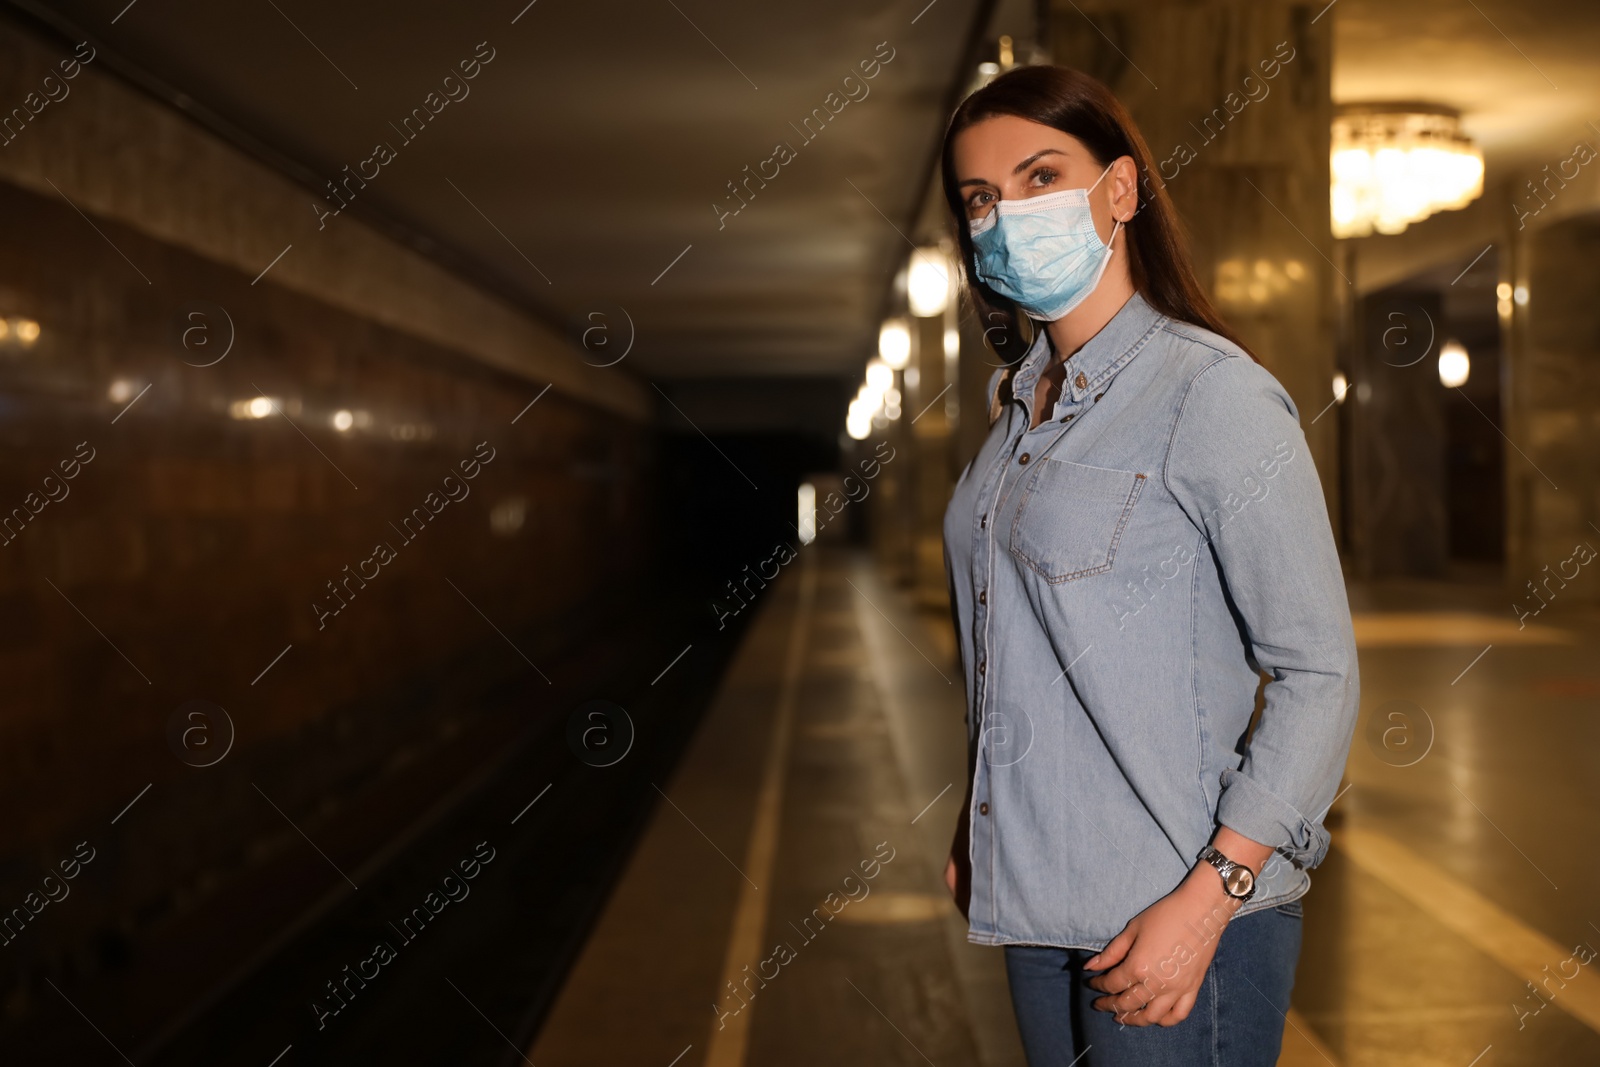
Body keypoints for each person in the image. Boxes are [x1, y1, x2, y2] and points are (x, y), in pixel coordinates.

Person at [938, 65, 1359, 1066]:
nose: (1008, 215)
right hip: (1034, 900)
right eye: (981, 198)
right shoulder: (1012, 416)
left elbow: (1319, 673)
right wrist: (977, 818)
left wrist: (1213, 896)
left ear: (1119, 191)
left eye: (1041, 175)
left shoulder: (1207, 395)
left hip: (1172, 910)